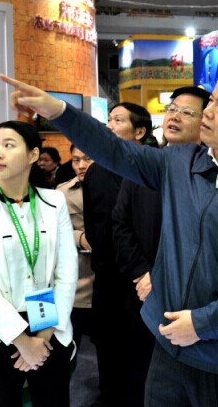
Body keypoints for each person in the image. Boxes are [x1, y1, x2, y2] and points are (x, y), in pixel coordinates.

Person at [0, 64, 218, 407]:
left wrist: (202, 323)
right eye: (210, 102)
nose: (207, 112)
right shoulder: (179, 162)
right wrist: (58, 111)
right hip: (166, 347)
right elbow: (115, 150)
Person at [0, 120, 77, 406]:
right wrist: (22, 341)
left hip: (49, 321)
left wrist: (43, 337)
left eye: (8, 145)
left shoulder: (54, 202)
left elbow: (66, 272)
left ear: (33, 154)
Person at [112, 85, 209, 407]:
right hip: (141, 294)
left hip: (192, 303)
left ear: (207, 121)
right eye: (172, 109)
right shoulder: (144, 164)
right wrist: (142, 274)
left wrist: (162, 277)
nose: (175, 117)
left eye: (187, 112)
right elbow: (121, 223)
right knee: (143, 378)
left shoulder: (212, 173)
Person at [82, 101, 151, 406]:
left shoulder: (153, 169)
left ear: (140, 131)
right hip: (107, 281)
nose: (109, 126)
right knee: (109, 354)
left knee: (142, 358)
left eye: (118, 120)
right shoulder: (96, 170)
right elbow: (93, 224)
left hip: (144, 281)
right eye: (109, 119)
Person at [56, 145, 94, 349]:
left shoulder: (117, 186)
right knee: (70, 345)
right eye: (75, 160)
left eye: (87, 159)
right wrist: (80, 238)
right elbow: (53, 231)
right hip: (77, 280)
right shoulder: (62, 193)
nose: (81, 165)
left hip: (109, 280)